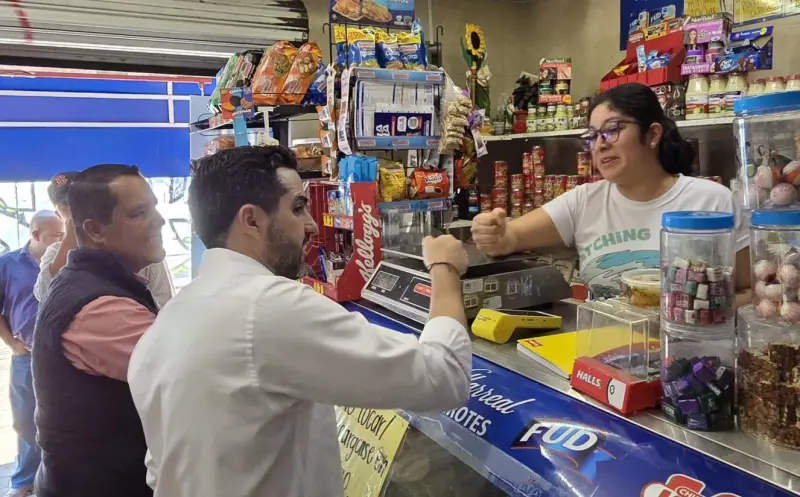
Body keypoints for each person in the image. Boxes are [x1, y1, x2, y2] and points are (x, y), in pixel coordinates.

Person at [128, 146, 472, 497]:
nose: (310, 224)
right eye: (297, 207)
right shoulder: (267, 307)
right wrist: (444, 269)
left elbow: (160, 471)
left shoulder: (166, 323)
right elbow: (445, 376)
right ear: (251, 221)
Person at [472, 83, 750, 302]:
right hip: (604, 357)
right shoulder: (584, 201)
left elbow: (753, 292)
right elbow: (509, 238)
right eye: (592, 136)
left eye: (613, 130)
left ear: (652, 135)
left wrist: (687, 315)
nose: (600, 145)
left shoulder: (712, 200)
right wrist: (492, 231)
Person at [33, 165, 166, 497]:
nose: (160, 221)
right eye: (139, 213)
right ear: (94, 231)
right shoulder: (99, 309)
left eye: (154, 207)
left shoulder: (110, 281)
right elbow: (191, 375)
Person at [34, 170, 174, 307]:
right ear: (57, 213)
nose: (73, 208)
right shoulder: (54, 252)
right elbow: (44, 295)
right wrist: (69, 239)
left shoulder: (139, 245)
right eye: (65, 204)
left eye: (80, 200)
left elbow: (165, 301)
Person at [0, 211, 64, 497]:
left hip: (63, 355)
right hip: (26, 355)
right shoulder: (8, 265)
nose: (62, 241)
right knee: (26, 419)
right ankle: (24, 480)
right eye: (56, 236)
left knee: (60, 417)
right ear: (36, 235)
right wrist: (12, 344)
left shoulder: (66, 262)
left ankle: (55, 479)